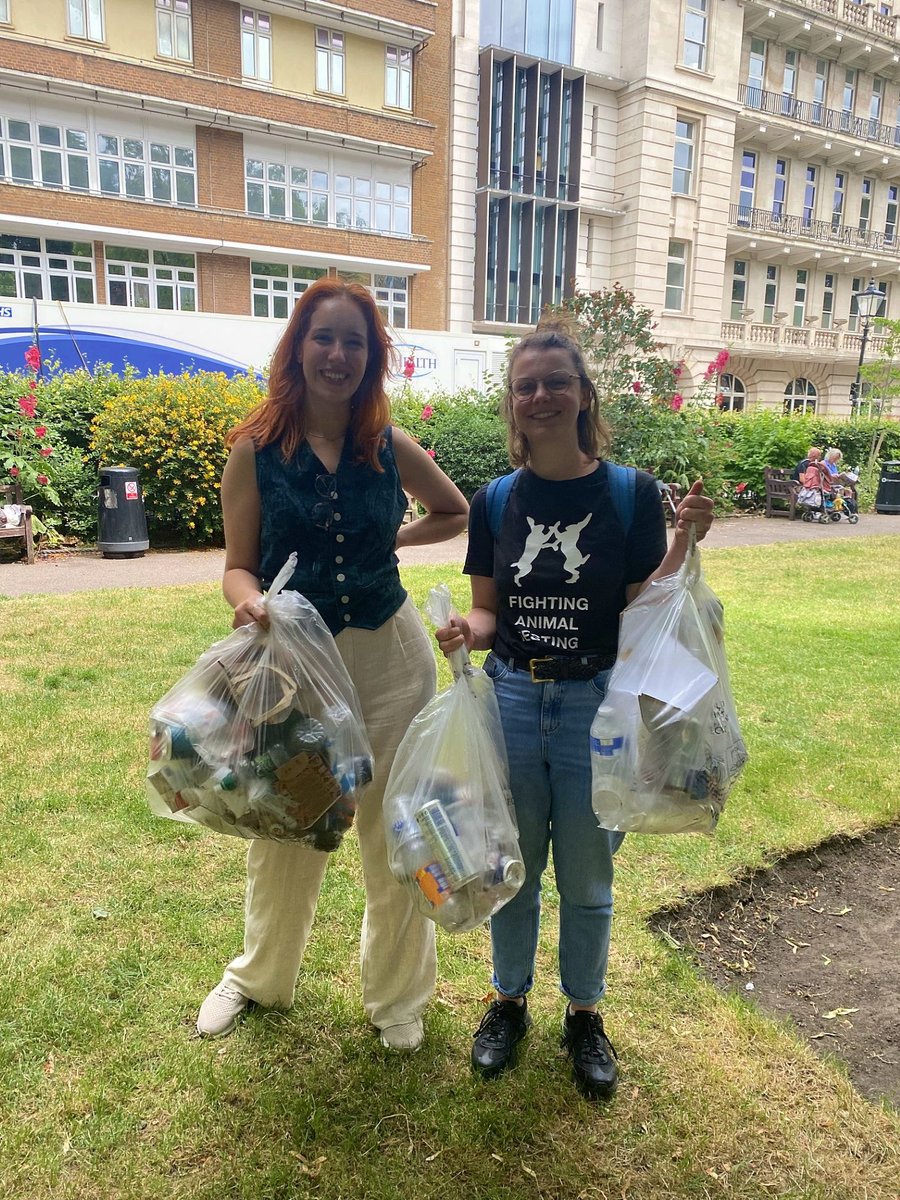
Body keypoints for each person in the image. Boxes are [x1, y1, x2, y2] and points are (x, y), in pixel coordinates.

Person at [435, 320, 713, 1101]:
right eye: (526, 385)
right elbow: (490, 613)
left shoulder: (626, 493)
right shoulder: (496, 501)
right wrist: (466, 629)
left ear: (584, 395)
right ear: (513, 406)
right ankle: (508, 999)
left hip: (597, 703)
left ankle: (584, 1013)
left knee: (588, 879)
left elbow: (639, 612)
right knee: (511, 867)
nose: (542, 395)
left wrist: (683, 546)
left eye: (557, 381)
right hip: (515, 697)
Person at [197, 277, 468, 1050]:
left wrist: (396, 543)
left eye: (355, 341)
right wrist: (246, 601)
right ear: (298, 348)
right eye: (324, 338)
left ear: (372, 356)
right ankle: (257, 978)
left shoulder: (387, 445)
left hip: (391, 661)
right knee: (286, 828)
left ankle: (398, 1000)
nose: (338, 354)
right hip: (295, 670)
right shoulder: (253, 451)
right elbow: (236, 567)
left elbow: (453, 509)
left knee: (396, 833)